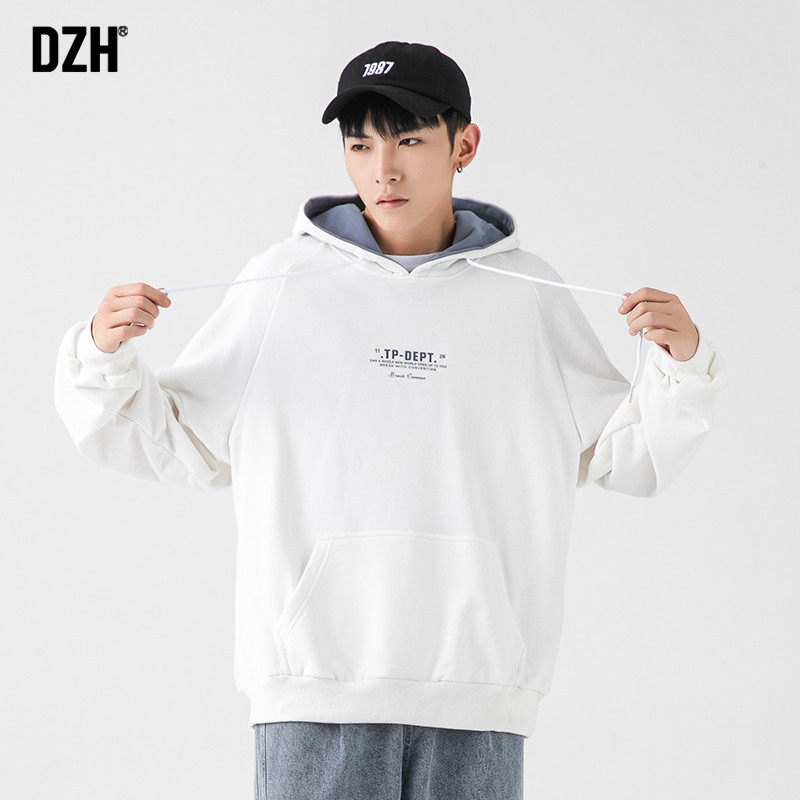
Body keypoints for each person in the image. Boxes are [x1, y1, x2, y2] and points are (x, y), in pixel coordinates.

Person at [54, 40, 728, 800]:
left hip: (478, 693)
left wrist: (681, 365)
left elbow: (630, 459)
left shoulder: (527, 296)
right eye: (360, 145)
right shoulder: (281, 284)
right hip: (313, 693)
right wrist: (102, 356)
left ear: (463, 145)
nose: (384, 169)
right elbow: (171, 440)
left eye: (408, 140)